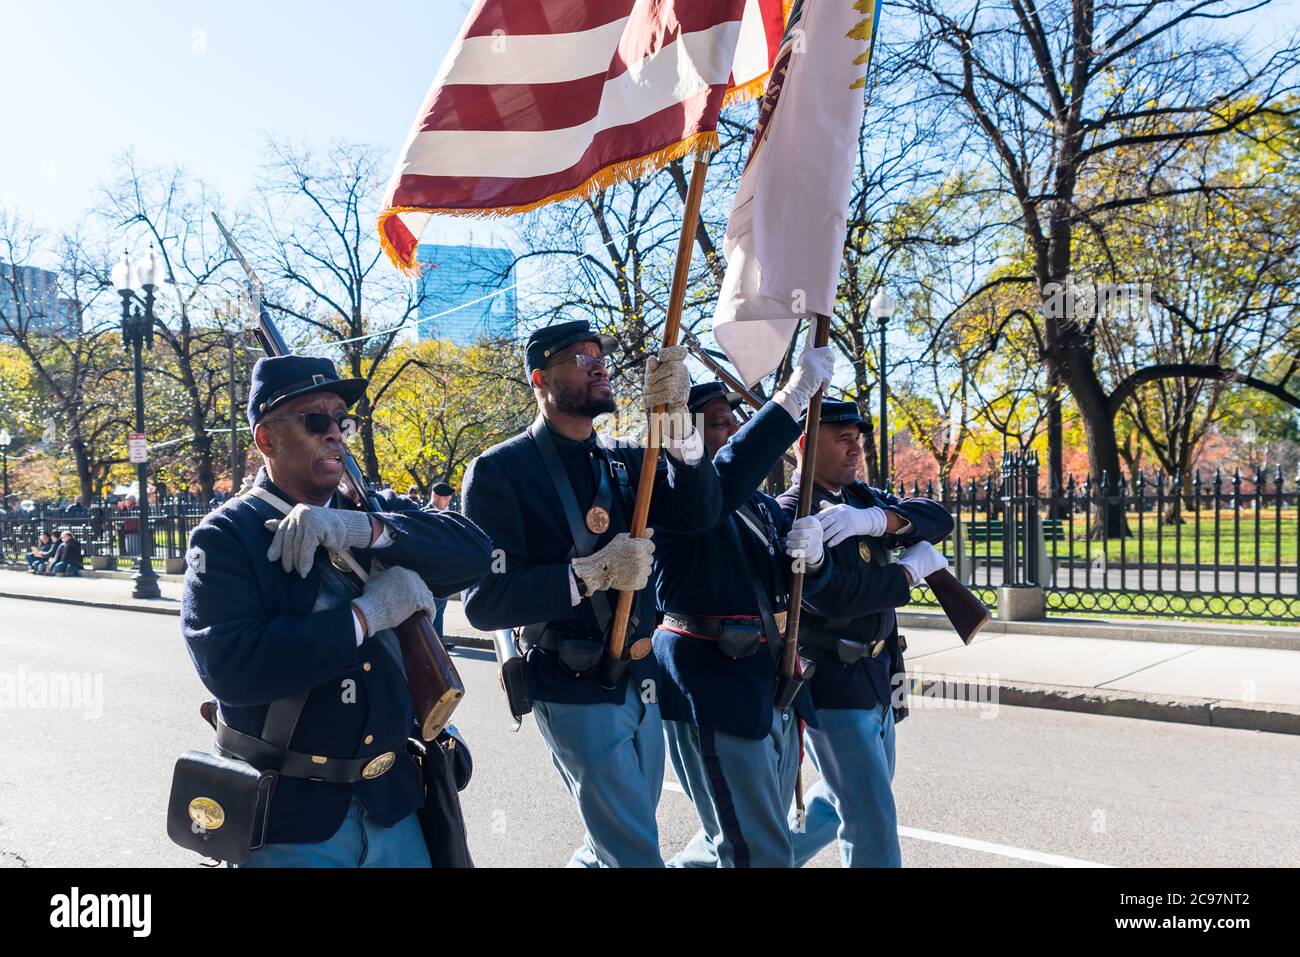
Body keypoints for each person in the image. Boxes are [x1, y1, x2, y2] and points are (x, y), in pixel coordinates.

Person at [180, 355, 494, 867]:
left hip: (393, 803)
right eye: (315, 420)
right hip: (292, 816)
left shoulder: (366, 512)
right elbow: (231, 668)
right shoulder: (227, 534)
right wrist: (366, 615)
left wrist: (365, 530)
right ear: (266, 439)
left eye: (341, 420)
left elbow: (477, 551)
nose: (335, 434)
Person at [462, 319, 722, 867]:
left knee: (613, 842)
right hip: (574, 680)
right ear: (540, 378)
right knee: (633, 853)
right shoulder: (500, 471)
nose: (599, 365)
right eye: (580, 359)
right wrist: (588, 575)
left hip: (642, 677)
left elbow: (699, 515)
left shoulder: (630, 459)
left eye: (599, 355)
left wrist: (677, 428)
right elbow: (485, 603)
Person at [651, 344, 836, 868]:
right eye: (715, 423)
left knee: (745, 840)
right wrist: (790, 399)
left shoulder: (756, 503)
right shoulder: (669, 492)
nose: (730, 430)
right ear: (684, 434)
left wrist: (813, 559)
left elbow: (796, 590)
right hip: (716, 683)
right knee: (755, 849)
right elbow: (717, 485)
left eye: (734, 420)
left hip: (771, 682)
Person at [779, 400, 953, 867]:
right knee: (870, 819)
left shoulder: (861, 501)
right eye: (843, 438)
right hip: (832, 683)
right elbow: (835, 596)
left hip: (880, 675)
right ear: (805, 444)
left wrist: (880, 520)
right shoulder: (793, 514)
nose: (856, 449)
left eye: (858, 438)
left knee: (835, 804)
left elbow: (939, 518)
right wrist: (907, 575)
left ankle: (743, 857)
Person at [427, 481, 456, 647]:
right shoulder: (426, 513)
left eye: (450, 498)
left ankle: (439, 641)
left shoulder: (446, 514)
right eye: (445, 498)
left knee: (441, 607)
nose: (448, 501)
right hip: (430, 571)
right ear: (435, 496)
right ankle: (433, 643)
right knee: (433, 607)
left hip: (443, 570)